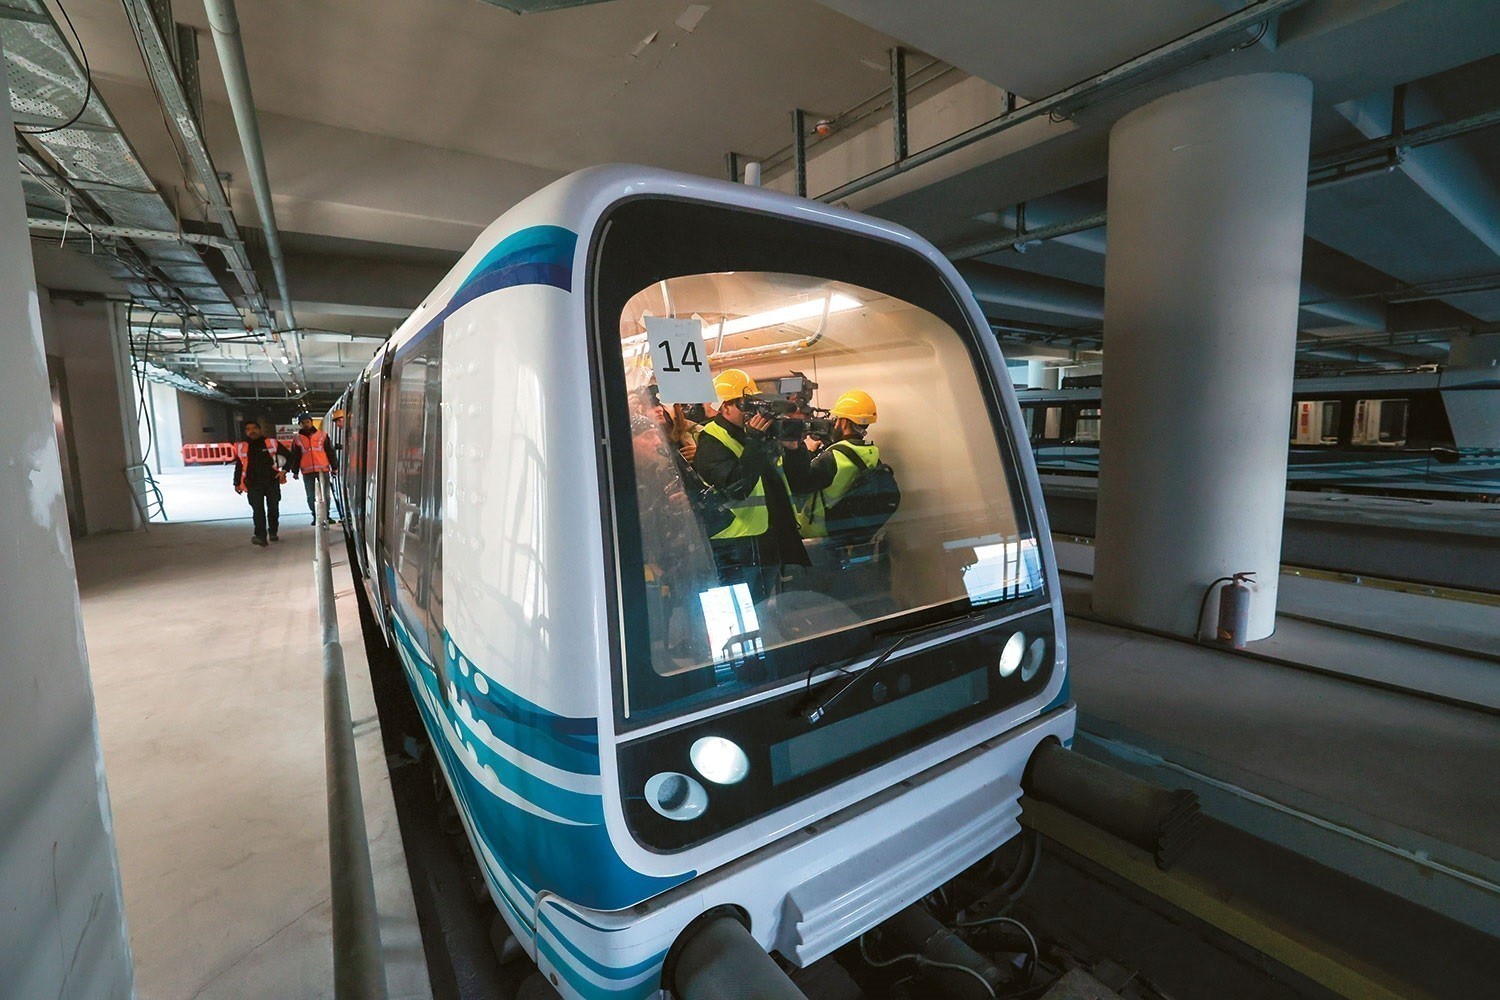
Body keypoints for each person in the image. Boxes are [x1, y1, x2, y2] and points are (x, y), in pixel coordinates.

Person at [691, 368, 814, 597]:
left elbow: (799, 482)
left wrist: (794, 449)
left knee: (767, 609)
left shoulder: (758, 435)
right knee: (738, 611)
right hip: (736, 548)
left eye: (754, 404)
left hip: (769, 542)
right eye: (744, 405)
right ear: (725, 407)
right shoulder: (712, 440)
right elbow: (738, 487)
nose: (752, 412)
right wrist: (756, 441)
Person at [797, 389, 882, 539]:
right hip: (844, 530)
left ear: (844, 422)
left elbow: (800, 484)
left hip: (818, 533)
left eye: (837, 418)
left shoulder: (833, 457)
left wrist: (808, 450)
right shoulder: (871, 452)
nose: (834, 423)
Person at [233, 420, 287, 546]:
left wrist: (284, 471)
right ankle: (260, 536)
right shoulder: (242, 446)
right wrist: (236, 482)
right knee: (257, 510)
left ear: (260, 430)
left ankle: (273, 531)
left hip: (271, 481)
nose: (252, 431)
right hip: (253, 483)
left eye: (254, 428)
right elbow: (239, 465)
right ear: (245, 432)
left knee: (273, 508)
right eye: (248, 429)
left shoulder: (271, 443)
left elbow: (289, 457)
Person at [289, 412, 337, 525]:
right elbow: (295, 456)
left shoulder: (322, 435)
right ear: (300, 424)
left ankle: (326, 516)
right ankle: (316, 516)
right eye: (303, 423)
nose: (305, 424)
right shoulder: (297, 439)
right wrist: (295, 471)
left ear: (311, 422)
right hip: (307, 471)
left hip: (323, 469)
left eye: (307, 422)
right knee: (311, 496)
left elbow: (330, 452)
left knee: (326, 495)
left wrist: (334, 467)